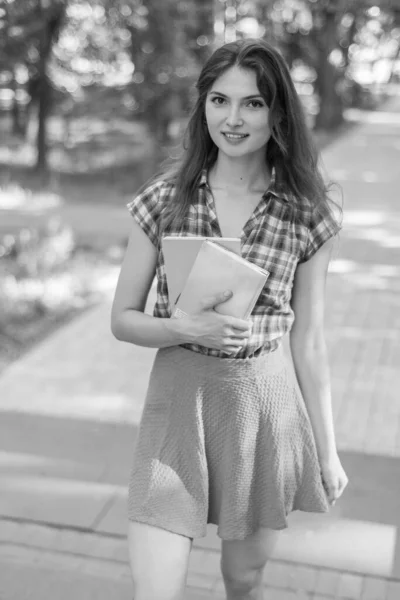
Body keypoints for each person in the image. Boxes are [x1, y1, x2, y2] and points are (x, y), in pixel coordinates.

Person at [111, 38, 348, 600]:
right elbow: (122, 320)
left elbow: (309, 343)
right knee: (156, 590)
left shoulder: (307, 214)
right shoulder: (164, 201)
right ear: (203, 108)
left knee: (243, 581)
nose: (233, 119)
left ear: (279, 113)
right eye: (219, 101)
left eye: (253, 103)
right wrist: (182, 328)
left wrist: (329, 450)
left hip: (264, 411)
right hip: (177, 409)